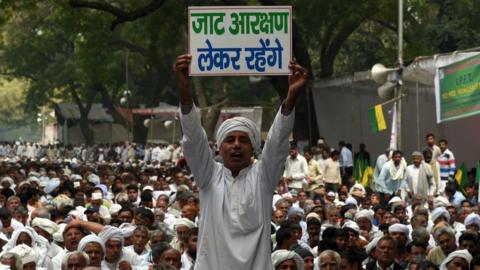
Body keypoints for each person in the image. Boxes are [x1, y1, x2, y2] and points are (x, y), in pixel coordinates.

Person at [174, 54, 308, 269]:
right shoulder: (208, 176)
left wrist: (291, 95)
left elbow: (277, 141)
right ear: (219, 147)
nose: (236, 145)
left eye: (243, 140)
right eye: (230, 140)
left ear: (252, 147)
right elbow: (193, 138)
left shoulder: (263, 178)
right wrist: (183, 89)